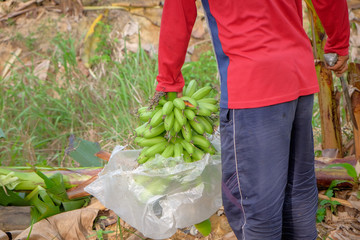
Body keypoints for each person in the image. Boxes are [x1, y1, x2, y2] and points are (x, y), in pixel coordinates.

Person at [154, 0, 350, 239]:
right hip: (297, 73)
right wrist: (338, 43)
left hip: (252, 85)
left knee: (255, 208)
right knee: (297, 194)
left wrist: (168, 79)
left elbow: (178, 10)